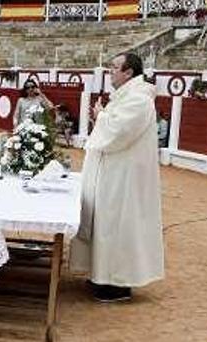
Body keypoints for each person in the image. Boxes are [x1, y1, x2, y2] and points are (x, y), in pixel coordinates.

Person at [70, 51, 164, 302]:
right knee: (105, 223)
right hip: (112, 172)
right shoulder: (126, 96)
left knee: (117, 224)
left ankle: (117, 282)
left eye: (114, 67)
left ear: (129, 72)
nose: (109, 71)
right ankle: (101, 274)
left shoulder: (139, 99)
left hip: (123, 177)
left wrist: (100, 115)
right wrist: (102, 116)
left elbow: (119, 131)